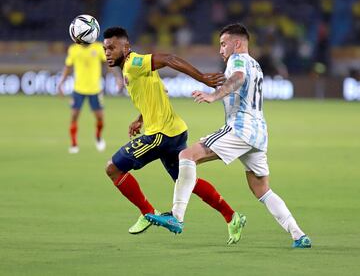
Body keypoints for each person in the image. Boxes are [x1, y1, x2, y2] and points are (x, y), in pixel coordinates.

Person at [145, 23, 312, 249]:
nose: (221, 50)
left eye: (223, 44)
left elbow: (238, 78)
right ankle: (298, 234)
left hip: (240, 127)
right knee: (261, 188)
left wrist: (214, 96)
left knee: (187, 155)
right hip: (259, 133)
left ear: (237, 43)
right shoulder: (257, 65)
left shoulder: (238, 59)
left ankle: (176, 215)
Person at [103, 26, 245, 244]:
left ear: (126, 47)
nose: (108, 53)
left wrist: (202, 78)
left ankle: (146, 212)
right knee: (187, 181)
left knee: (113, 168)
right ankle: (231, 216)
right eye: (105, 49)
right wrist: (140, 119)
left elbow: (169, 58)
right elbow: (157, 92)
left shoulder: (134, 63)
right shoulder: (133, 69)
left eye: (112, 47)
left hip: (160, 135)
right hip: (175, 130)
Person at [57, 41, 110, 154]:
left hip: (95, 89)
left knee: (100, 117)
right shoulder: (74, 49)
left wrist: (118, 78)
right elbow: (68, 67)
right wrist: (61, 83)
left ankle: (98, 137)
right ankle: (74, 143)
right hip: (78, 89)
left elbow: (108, 63)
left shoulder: (98, 47)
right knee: (74, 115)